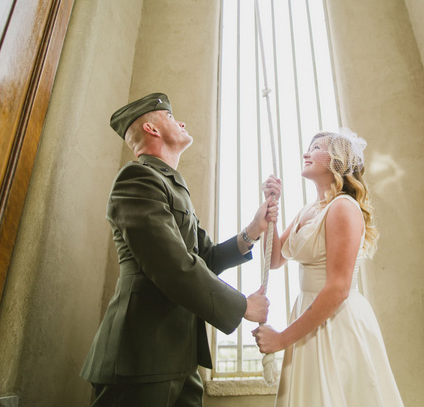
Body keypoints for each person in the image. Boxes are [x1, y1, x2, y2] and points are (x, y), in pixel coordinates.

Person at [80, 92, 278, 406]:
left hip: (179, 357)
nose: (181, 121)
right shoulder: (137, 180)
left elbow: (205, 258)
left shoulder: (172, 186)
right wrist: (243, 307)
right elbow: (172, 265)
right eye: (170, 117)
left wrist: (253, 229)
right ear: (152, 130)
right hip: (140, 356)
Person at [252, 128, 404, 407]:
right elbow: (274, 261)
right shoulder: (307, 211)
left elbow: (338, 289)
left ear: (338, 161)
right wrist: (269, 213)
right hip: (307, 312)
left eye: (317, 147)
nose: (306, 153)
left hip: (337, 319)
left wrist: (282, 339)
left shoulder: (344, 207)